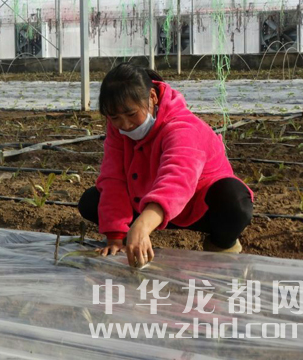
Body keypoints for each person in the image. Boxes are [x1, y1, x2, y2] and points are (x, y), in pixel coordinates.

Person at [78, 64, 253, 268]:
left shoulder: (183, 127)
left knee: (235, 203)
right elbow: (113, 178)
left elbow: (177, 181)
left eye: (131, 114)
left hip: (197, 205)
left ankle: (221, 246)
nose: (125, 124)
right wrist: (115, 235)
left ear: (152, 97)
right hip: (147, 201)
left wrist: (142, 226)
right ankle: (130, 240)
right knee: (92, 201)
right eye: (115, 118)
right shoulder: (118, 130)